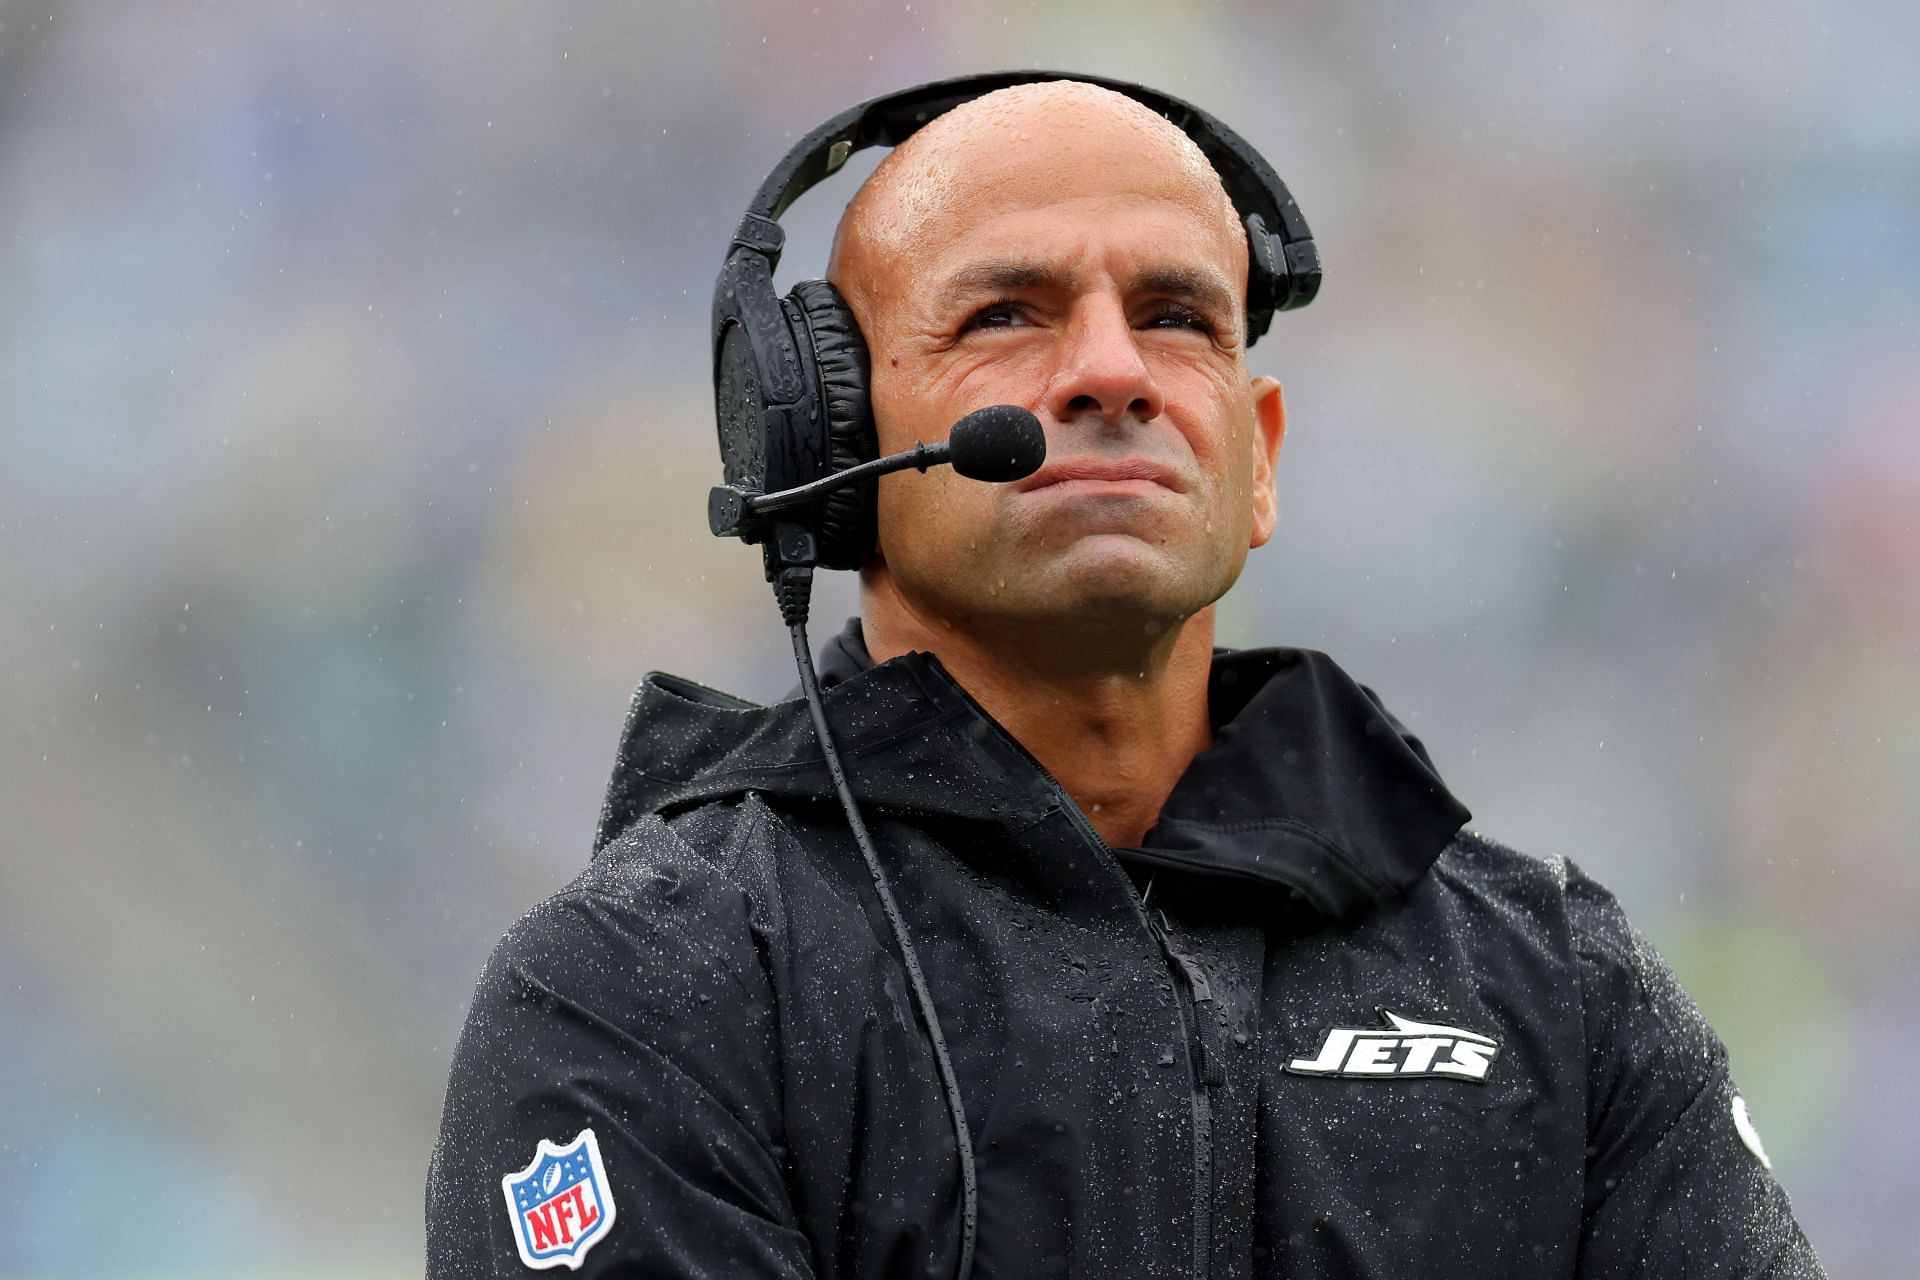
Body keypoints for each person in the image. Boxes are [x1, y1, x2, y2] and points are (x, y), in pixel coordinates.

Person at [425, 76, 1824, 1278]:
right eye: (1006, 316)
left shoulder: (1556, 988)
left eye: (1175, 317)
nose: (1110, 371)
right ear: (826, 446)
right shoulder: (641, 990)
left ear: (1259, 453)